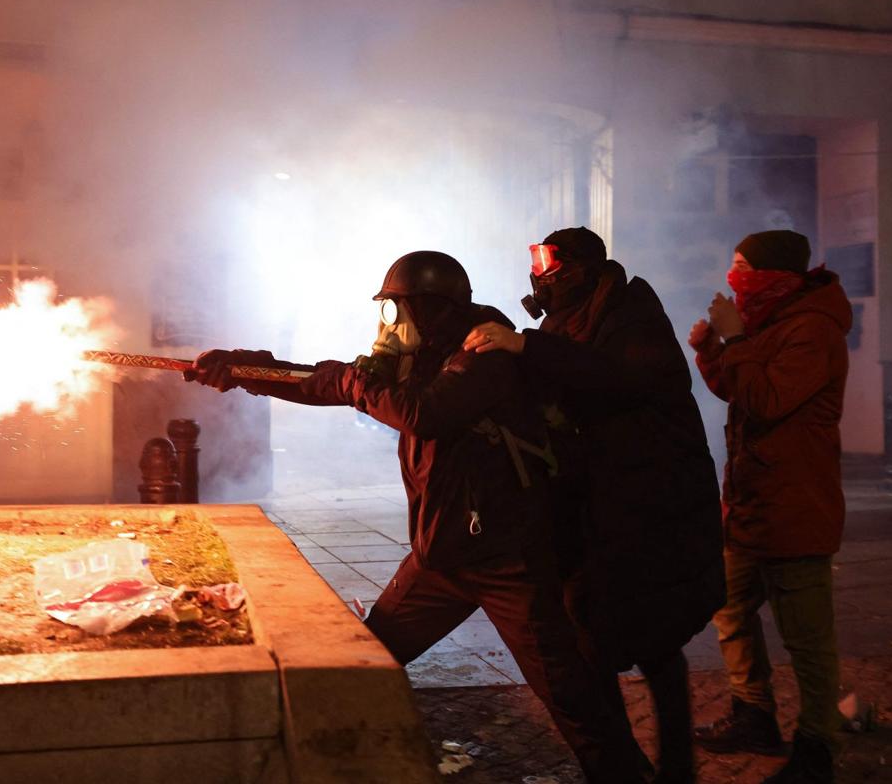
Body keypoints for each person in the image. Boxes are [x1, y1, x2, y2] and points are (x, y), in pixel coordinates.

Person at [187, 250, 647, 784]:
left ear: (429, 308)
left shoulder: (485, 350)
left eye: (394, 309)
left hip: (507, 561)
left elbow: (424, 413)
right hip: (441, 559)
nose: (388, 322)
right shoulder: (421, 353)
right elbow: (326, 381)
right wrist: (245, 368)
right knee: (371, 660)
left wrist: (353, 381)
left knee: (570, 698)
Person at [464, 227, 725, 784]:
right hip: (595, 512)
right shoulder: (564, 323)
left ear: (579, 271)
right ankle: (618, 765)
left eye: (550, 270)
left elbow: (615, 377)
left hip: (653, 508)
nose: (540, 281)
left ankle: (676, 769)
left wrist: (527, 346)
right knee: (591, 644)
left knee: (655, 642)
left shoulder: (633, 317)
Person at [688, 230, 851, 784]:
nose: (733, 277)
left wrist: (734, 341)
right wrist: (714, 350)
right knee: (729, 608)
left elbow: (768, 398)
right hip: (750, 501)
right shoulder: (772, 320)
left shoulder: (812, 329)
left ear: (773, 273)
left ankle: (817, 746)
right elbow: (740, 390)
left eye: (742, 266)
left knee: (807, 637)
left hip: (796, 505)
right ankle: (753, 714)